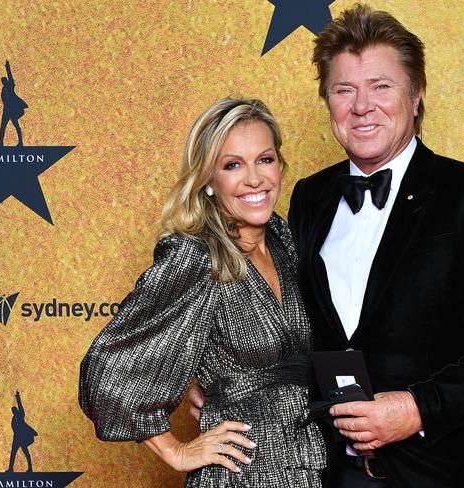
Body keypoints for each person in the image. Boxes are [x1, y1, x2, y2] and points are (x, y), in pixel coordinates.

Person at [287, 5, 464, 487]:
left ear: (416, 96)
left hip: (437, 469)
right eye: (344, 89)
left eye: (381, 86)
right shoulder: (309, 196)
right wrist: (231, 385)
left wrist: (417, 408)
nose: (361, 106)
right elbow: (297, 326)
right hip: (326, 469)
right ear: (327, 101)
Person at [79, 98, 325, 488]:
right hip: (242, 472)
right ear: (209, 180)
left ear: (280, 166)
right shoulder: (197, 257)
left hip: (307, 460)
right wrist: (176, 451)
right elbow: (108, 373)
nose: (255, 179)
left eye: (265, 159)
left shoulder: (284, 240)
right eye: (232, 165)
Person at [0, 60, 28, 147]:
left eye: (5, 80)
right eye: (2, 81)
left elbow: (10, 76)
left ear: (7, 80)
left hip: (14, 110)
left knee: (16, 125)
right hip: (6, 110)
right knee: (2, 127)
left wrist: (7, 67)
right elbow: (4, 100)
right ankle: (0, 143)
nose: (4, 82)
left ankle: (20, 142)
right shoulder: (3, 90)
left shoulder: (10, 85)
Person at [7, 390, 38, 472]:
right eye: (13, 411)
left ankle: (30, 468)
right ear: (12, 412)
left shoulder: (21, 415)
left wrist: (17, 397)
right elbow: (14, 429)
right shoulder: (13, 419)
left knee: (26, 453)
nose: (14, 411)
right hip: (16, 439)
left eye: (15, 410)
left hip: (23, 438)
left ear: (17, 410)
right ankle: (10, 469)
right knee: (13, 454)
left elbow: (20, 405)